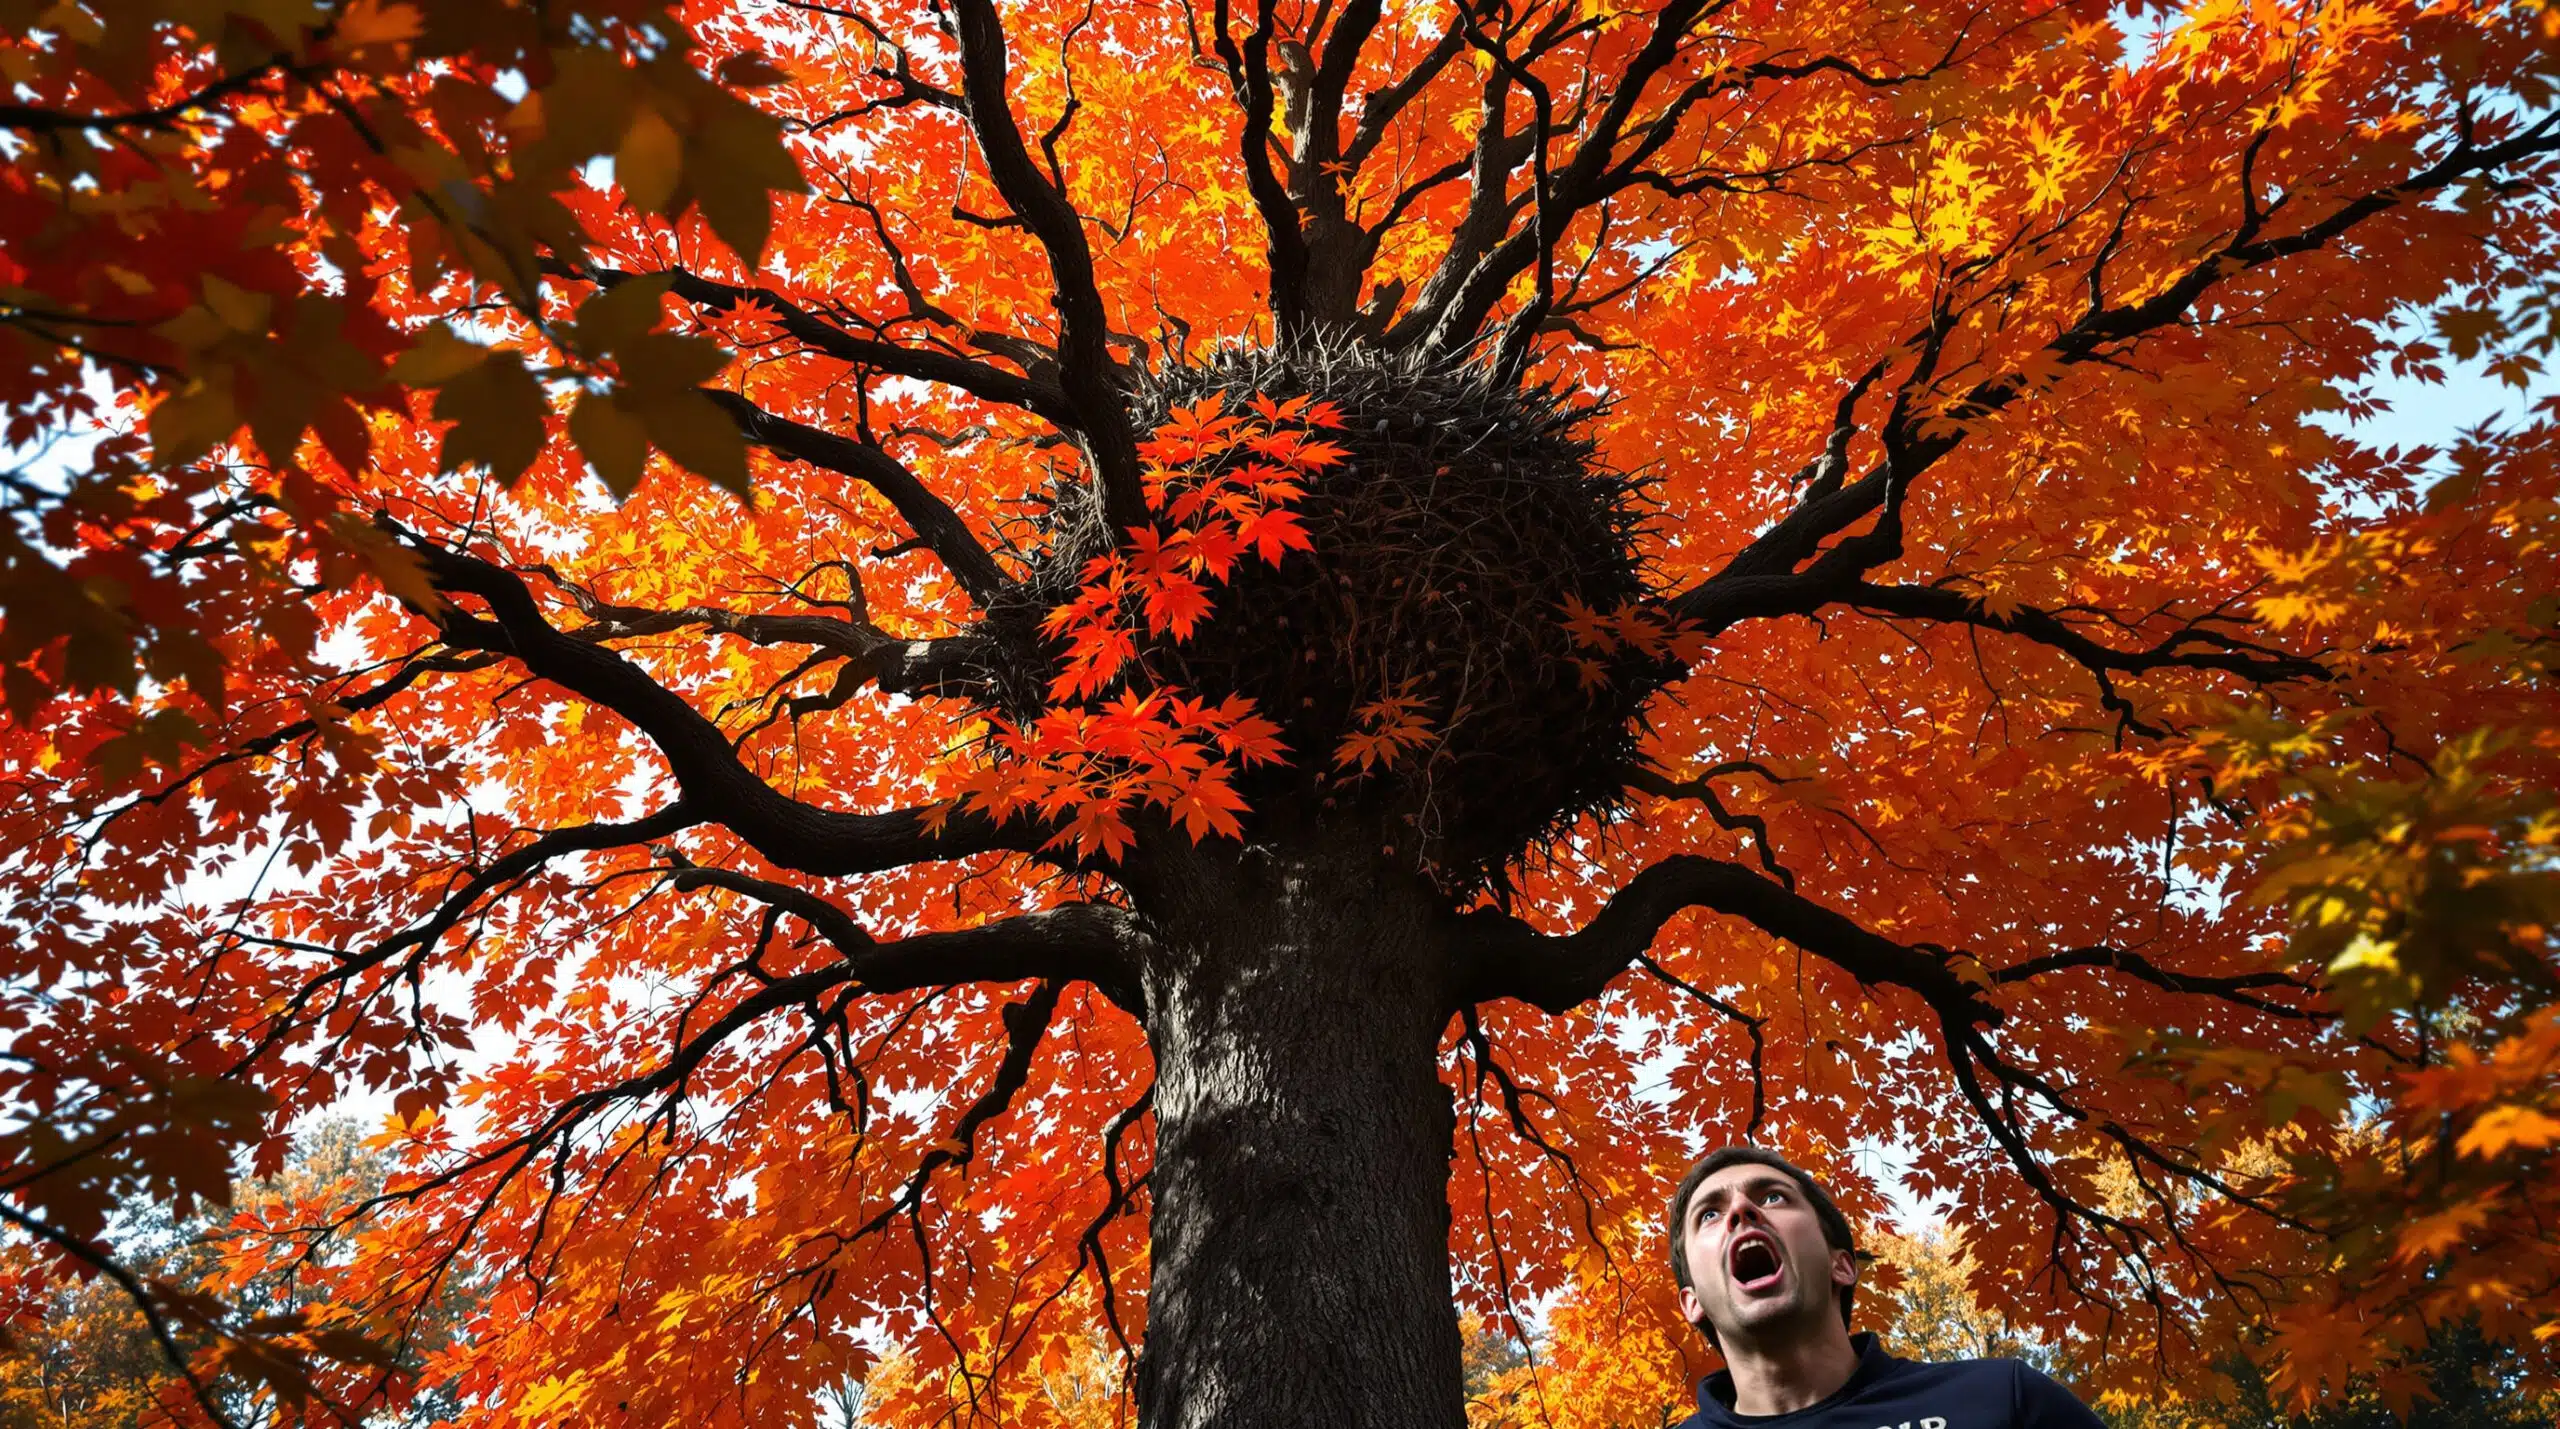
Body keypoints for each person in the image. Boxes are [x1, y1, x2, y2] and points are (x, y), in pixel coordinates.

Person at [1667, 1146, 2106, 1428]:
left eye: (1773, 1197)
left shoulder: (2001, 1398)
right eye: (1708, 1214)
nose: (1741, 1210)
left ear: (1841, 1266)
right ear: (1692, 1303)